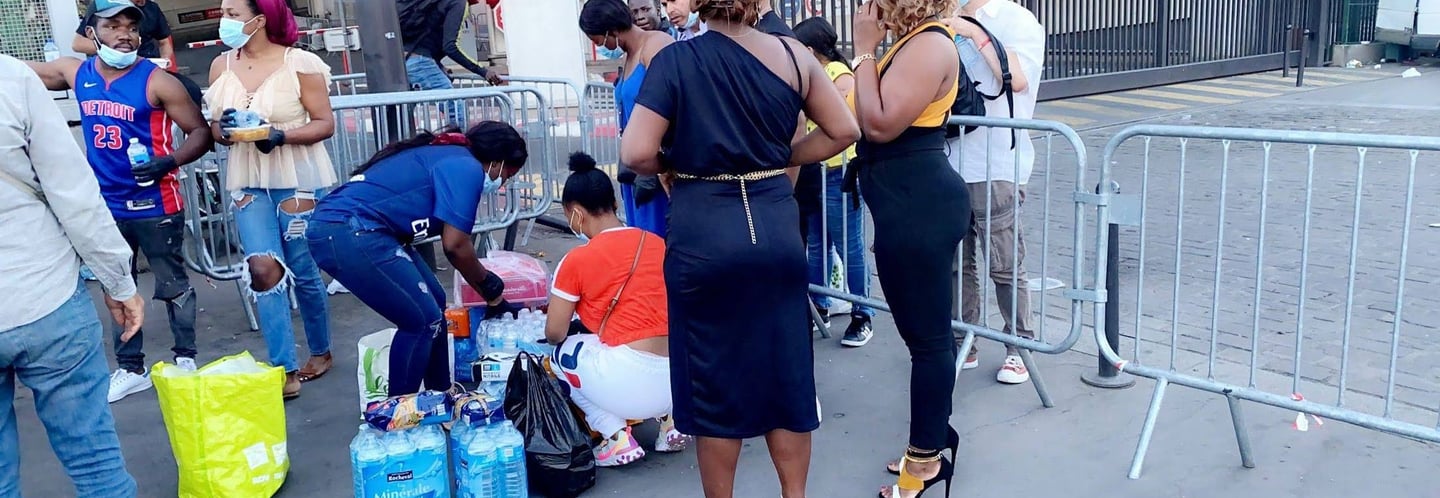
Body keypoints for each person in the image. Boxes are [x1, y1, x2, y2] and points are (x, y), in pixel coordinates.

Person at [620, 0, 859, 496]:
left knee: (714, 380)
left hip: (704, 226)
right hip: (774, 223)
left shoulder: (676, 60)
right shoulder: (794, 55)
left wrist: (676, 161)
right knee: (786, 372)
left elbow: (636, 152)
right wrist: (778, 157)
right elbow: (845, 131)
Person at [25, 0, 213, 403]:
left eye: (131, 27)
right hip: (105, 205)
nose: (124, 34)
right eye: (113, 26)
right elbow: (20, 73)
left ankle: (186, 360)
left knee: (173, 284)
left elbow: (200, 131)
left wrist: (169, 161)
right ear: (92, 33)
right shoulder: (76, 72)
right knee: (116, 284)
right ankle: (131, 368)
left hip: (156, 202)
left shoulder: (158, 81)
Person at [0, 51, 144, 498]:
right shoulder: (11, 77)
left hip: (41, 295)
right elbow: (74, 196)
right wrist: (118, 282)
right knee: (96, 466)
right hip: (46, 298)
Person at [306, 122, 529, 397]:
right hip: (348, 230)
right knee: (421, 321)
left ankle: (441, 395)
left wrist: (490, 292)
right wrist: (489, 287)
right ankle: (400, 414)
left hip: (362, 228)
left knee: (435, 303)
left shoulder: (450, 155)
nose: (502, 183)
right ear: (497, 162)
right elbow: (456, 245)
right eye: (507, 175)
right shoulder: (467, 167)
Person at [849, 0, 967, 496]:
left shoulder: (930, 44)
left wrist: (862, 51)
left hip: (920, 208)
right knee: (925, 339)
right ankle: (931, 441)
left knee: (930, 342)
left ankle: (924, 462)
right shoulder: (911, 43)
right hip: (907, 206)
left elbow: (878, 123)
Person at [205, 0, 336, 399]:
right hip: (247, 181)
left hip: (298, 179)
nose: (224, 20)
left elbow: (324, 123)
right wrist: (224, 129)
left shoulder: (301, 63)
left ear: (259, 20)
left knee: (303, 268)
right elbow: (215, 128)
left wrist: (280, 136)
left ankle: (321, 349)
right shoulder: (220, 66)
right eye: (223, 12)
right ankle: (284, 368)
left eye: (232, 14)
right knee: (263, 269)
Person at [546, 152, 689, 468]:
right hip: (681, 379)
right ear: (613, 202)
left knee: (562, 355)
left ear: (576, 214)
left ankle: (615, 437)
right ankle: (671, 425)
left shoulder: (577, 260)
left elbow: (554, 332)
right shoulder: (657, 244)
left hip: (628, 383)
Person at [944, 0, 1045, 385]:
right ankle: (963, 339)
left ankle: (1019, 344)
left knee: (1004, 263)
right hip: (950, 159)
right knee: (956, 262)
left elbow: (1016, 79)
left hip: (997, 163)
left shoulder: (1016, 20)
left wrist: (973, 32)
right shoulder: (945, 18)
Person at [793, 16, 875, 347]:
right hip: (816, 171)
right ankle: (820, 306)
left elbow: (843, 116)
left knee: (848, 245)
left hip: (838, 173)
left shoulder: (839, 74)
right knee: (818, 244)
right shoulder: (812, 74)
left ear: (810, 50)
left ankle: (862, 313)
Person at [581, 0, 673, 238]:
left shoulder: (656, 45)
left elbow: (675, 104)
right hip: (635, 168)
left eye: (598, 41)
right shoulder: (628, 55)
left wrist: (663, 168)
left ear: (610, 30)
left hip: (658, 167)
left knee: (659, 239)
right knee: (641, 239)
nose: (600, 47)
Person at [398, 0, 504, 127]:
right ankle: (457, 140)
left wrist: (439, 65)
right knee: (458, 113)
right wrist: (484, 71)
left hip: (402, 61)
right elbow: (450, 47)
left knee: (402, 118)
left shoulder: (435, 3)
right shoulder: (458, 3)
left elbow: (425, 37)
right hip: (420, 63)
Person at [72, 0, 173, 64]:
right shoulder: (105, 6)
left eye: (133, 29)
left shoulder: (152, 8)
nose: (125, 36)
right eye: (113, 27)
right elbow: (78, 44)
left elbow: (164, 42)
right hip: (112, 69)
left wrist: (165, 61)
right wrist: (116, 53)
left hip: (147, 65)